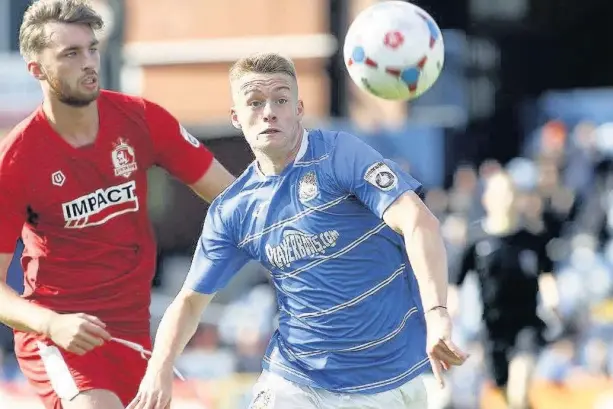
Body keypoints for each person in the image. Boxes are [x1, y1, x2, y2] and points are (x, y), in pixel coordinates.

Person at [128, 52, 468, 409]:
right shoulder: (233, 209)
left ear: (299, 108)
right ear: (235, 117)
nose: (269, 111)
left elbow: (420, 222)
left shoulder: (341, 155)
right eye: (255, 103)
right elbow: (189, 301)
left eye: (281, 100)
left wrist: (437, 314)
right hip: (294, 379)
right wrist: (159, 369)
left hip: (385, 383)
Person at [0, 1, 235, 408]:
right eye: (70, 54)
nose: (88, 62)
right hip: (59, 336)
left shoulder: (141, 119)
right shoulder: (16, 160)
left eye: (92, 48)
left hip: (133, 333)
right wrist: (51, 324)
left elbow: (234, 198)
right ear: (36, 69)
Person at [449, 171, 560, 409]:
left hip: (526, 324)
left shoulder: (532, 238)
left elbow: (546, 274)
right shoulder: (476, 238)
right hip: (492, 328)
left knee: (519, 388)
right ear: (487, 199)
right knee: (507, 394)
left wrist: (553, 299)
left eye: (509, 193)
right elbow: (455, 279)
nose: (505, 200)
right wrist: (451, 308)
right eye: (499, 194)